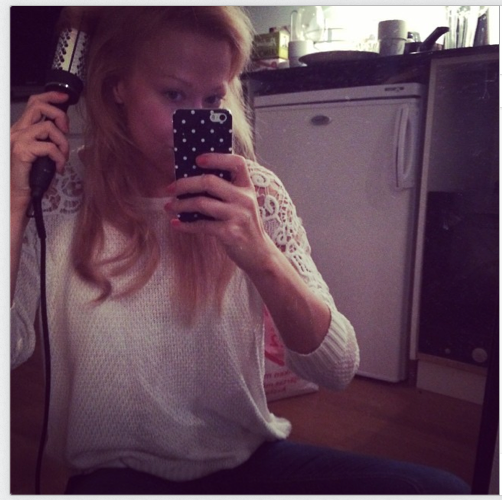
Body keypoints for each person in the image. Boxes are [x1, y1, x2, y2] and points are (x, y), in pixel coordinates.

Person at [11, 6, 470, 495]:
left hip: (247, 460)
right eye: (173, 94)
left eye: (213, 97)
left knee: (442, 490)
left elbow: (336, 369)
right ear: (118, 86)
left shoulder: (256, 195)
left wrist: (260, 253)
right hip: (117, 474)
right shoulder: (57, 198)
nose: (196, 118)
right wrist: (14, 202)